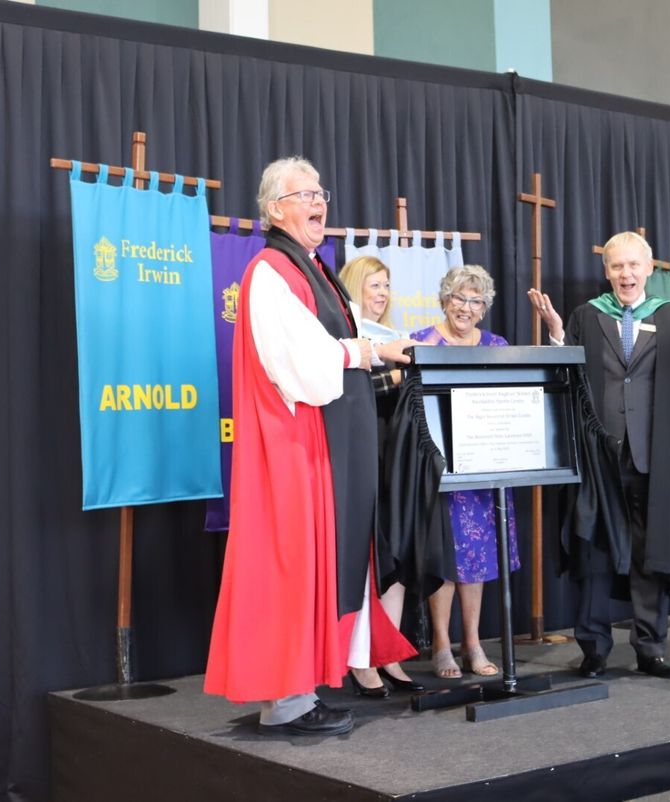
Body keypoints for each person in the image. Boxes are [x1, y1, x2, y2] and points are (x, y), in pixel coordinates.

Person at [204, 157, 418, 735]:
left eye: (322, 192)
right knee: (290, 568)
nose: (320, 202)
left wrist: (371, 349)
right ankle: (287, 702)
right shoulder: (272, 271)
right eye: (306, 195)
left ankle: (301, 693)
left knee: (311, 568)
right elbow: (301, 362)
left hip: (317, 442)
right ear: (276, 209)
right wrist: (367, 351)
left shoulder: (311, 267)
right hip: (292, 446)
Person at [527, 231, 670, 680]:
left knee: (652, 553)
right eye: (617, 266)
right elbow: (565, 374)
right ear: (606, 271)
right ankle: (594, 649)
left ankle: (651, 648)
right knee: (593, 550)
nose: (625, 274)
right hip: (598, 455)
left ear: (649, 268)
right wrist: (556, 334)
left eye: (633, 265)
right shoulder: (587, 315)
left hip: (652, 455)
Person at [410, 265, 520, 679]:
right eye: (459, 298)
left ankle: (472, 642)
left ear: (484, 308)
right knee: (444, 558)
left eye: (476, 301)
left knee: (478, 558)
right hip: (438, 467)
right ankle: (441, 644)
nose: (466, 307)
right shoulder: (421, 341)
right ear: (444, 300)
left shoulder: (497, 345)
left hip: (484, 465)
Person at [338, 255, 425, 694]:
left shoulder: (392, 336)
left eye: (387, 286)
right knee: (365, 556)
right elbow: (345, 391)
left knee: (394, 552)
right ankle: (360, 658)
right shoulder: (342, 338)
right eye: (375, 285)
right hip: (359, 457)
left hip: (394, 456)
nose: (383, 294)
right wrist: (393, 376)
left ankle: (387, 651)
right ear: (355, 287)